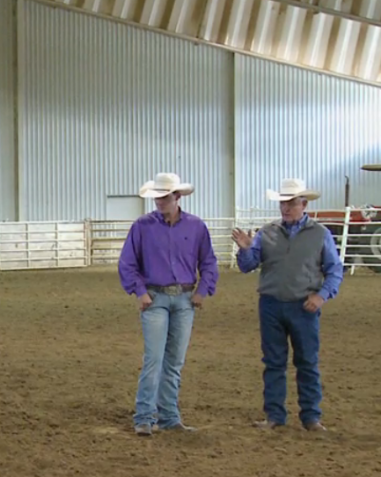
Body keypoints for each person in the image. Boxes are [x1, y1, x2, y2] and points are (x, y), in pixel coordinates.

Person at [231, 178, 343, 432]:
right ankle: (275, 416)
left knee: (307, 362)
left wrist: (322, 295)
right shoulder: (267, 232)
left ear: (304, 204)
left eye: (291, 203)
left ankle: (311, 416)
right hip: (271, 304)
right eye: (283, 203)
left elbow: (334, 270)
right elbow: (248, 266)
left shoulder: (320, 234)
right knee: (274, 362)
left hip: (304, 305)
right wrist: (245, 249)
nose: (286, 208)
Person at [118, 172, 219, 436]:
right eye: (157, 197)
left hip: (185, 299)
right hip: (155, 297)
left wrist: (203, 290)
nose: (159, 202)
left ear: (177, 196)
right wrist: (140, 292)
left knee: (174, 361)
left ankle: (168, 416)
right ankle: (144, 416)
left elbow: (208, 261)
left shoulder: (196, 227)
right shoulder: (142, 226)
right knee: (155, 358)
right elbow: (127, 263)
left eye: (163, 197)